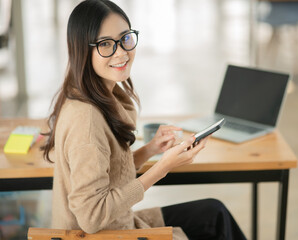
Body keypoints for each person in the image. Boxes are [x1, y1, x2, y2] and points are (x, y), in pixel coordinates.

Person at [41, 0, 247, 239]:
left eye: (125, 38)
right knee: (213, 219)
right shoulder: (86, 120)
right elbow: (91, 216)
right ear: (82, 50)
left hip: (119, 224)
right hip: (103, 234)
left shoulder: (99, 95)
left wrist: (149, 150)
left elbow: (109, 171)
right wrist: (162, 168)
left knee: (214, 213)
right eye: (105, 44)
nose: (121, 52)